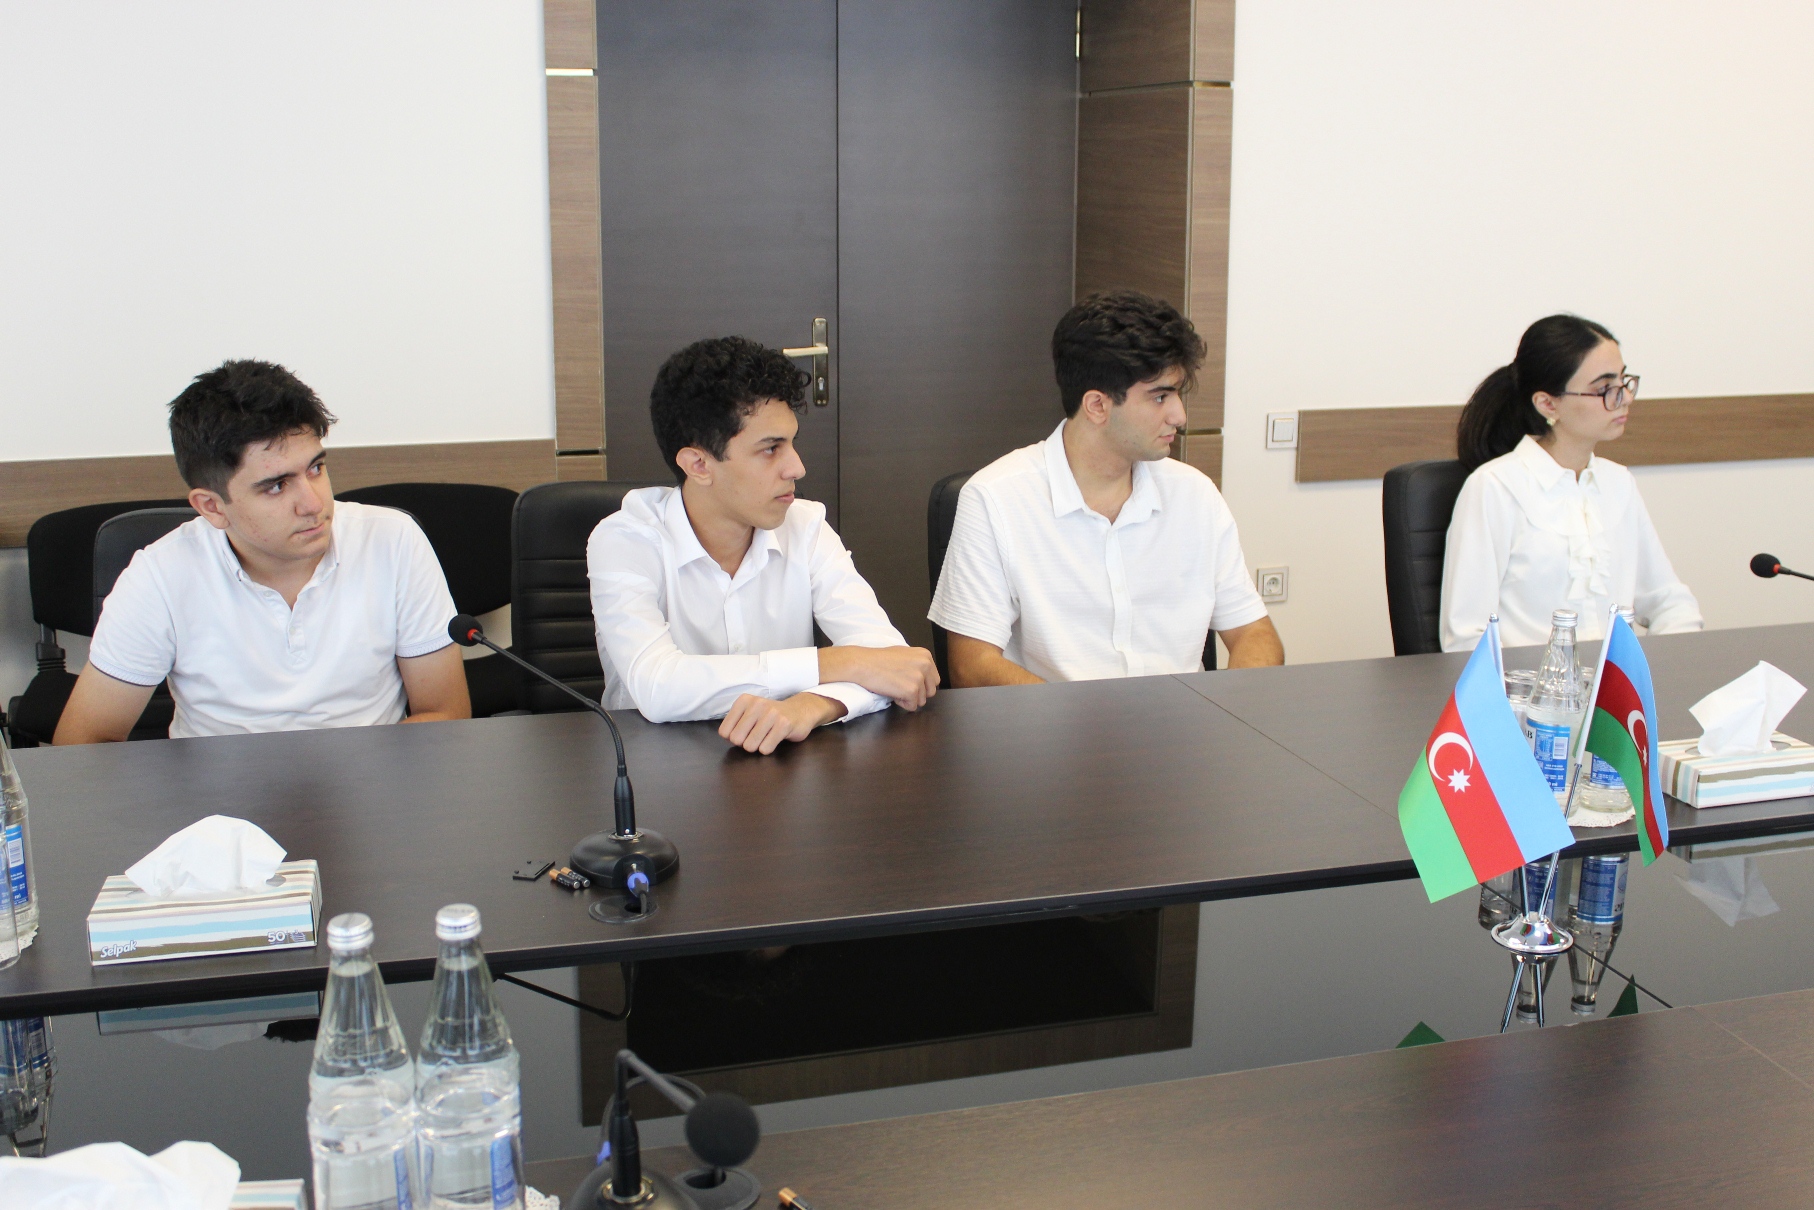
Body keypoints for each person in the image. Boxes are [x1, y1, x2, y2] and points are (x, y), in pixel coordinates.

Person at [54, 360, 470, 743]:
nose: (314, 503)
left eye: (316, 469)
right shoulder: (161, 575)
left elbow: (445, 713)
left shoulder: (392, 540)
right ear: (212, 507)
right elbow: (82, 745)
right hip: (218, 793)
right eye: (276, 486)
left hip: (373, 781)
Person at [588, 336, 938, 755]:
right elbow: (659, 687)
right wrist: (838, 663)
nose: (797, 467)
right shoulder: (624, 540)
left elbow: (893, 665)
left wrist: (810, 706)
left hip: (785, 763)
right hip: (650, 768)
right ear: (699, 465)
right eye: (770, 449)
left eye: (791, 443)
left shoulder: (805, 526)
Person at [928, 289, 1283, 684]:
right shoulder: (995, 499)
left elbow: (1254, 633)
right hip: (1053, 718)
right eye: (1160, 397)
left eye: (1177, 394)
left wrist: (1229, 707)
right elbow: (971, 665)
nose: (1179, 415)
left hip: (1184, 718)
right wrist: (1073, 719)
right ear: (1097, 405)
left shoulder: (1195, 495)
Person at [1440, 314, 1702, 652]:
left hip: (1614, 685)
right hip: (1528, 684)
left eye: (1624, 381)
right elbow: (1466, 637)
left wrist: (1661, 664)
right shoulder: (1495, 488)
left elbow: (1669, 602)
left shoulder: (1618, 483)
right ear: (1548, 404)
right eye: (1604, 388)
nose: (1624, 398)